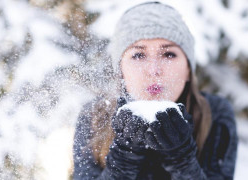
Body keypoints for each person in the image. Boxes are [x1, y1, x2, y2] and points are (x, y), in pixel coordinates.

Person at [73, 2, 238, 180]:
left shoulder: (214, 115)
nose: (153, 70)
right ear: (121, 71)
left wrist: (182, 160)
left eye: (168, 54)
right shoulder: (95, 116)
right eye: (138, 55)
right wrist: (123, 159)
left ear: (188, 69)